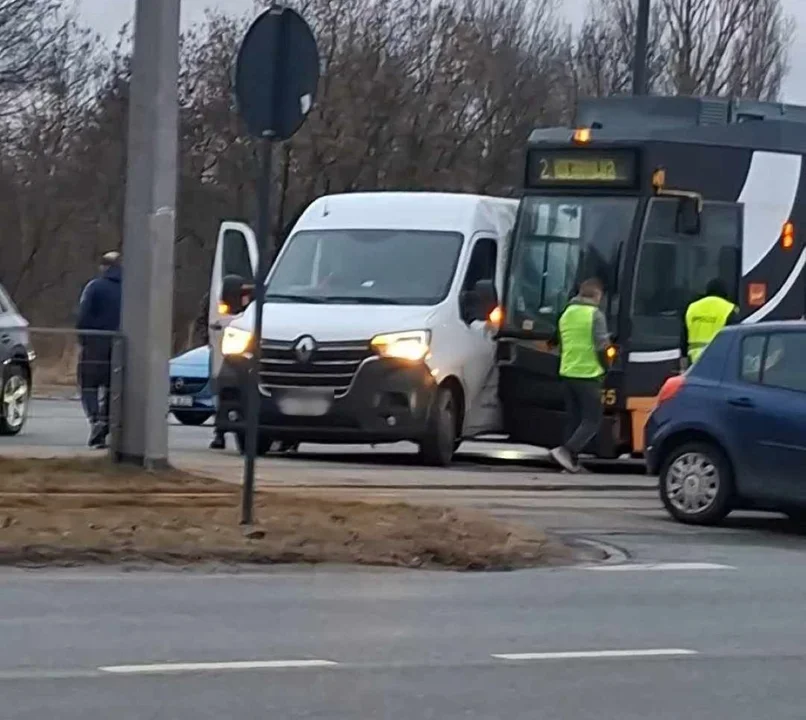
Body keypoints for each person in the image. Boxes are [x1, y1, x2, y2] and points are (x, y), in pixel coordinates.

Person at [549, 277, 610, 473]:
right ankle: (567, 451)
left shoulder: (566, 314)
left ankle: (570, 464)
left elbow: (556, 342)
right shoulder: (595, 315)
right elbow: (601, 346)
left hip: (567, 373)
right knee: (592, 420)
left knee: (574, 419)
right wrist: (606, 367)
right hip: (588, 374)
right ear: (597, 295)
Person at [76, 251, 122, 448]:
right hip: (121, 346)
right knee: (114, 388)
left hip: (95, 343)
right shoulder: (131, 290)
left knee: (88, 385)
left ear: (104, 267)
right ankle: (105, 421)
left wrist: (83, 338)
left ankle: (95, 420)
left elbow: (83, 316)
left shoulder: (95, 287)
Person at [193, 291, 227, 450]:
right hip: (219, 346)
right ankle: (220, 431)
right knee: (218, 388)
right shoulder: (212, 296)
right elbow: (202, 320)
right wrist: (207, 339)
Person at [680, 278, 739, 370]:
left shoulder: (692, 307)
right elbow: (734, 339)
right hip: (719, 361)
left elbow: (684, 337)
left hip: (694, 361)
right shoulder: (729, 308)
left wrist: (683, 360)